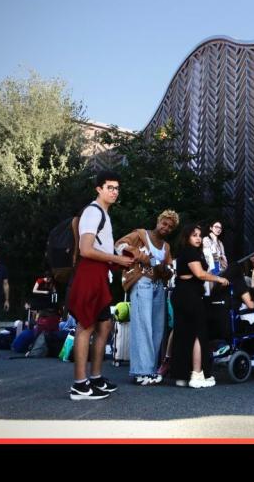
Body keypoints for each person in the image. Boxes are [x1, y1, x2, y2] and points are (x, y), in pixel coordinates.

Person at [67, 170, 135, 401]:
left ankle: (95, 378)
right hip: (90, 273)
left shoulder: (103, 213)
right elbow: (86, 250)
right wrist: (118, 259)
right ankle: (79, 385)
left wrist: (118, 257)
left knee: (104, 325)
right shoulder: (93, 212)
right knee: (85, 325)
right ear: (99, 189)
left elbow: (101, 247)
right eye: (109, 188)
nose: (114, 192)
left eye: (116, 188)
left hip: (100, 273)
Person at [115, 210, 179, 386]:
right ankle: (141, 372)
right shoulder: (141, 234)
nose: (166, 228)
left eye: (170, 227)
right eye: (164, 223)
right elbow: (119, 245)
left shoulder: (166, 247)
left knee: (157, 329)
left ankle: (149, 370)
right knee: (143, 326)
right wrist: (143, 256)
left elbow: (170, 269)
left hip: (158, 286)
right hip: (141, 282)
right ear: (158, 221)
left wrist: (165, 270)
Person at [171, 223, 229, 389]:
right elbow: (200, 274)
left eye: (199, 235)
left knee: (183, 333)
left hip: (182, 294)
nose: (198, 238)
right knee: (198, 333)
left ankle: (182, 375)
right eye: (194, 235)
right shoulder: (190, 252)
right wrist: (219, 279)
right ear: (187, 237)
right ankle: (197, 374)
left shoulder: (185, 252)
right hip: (190, 295)